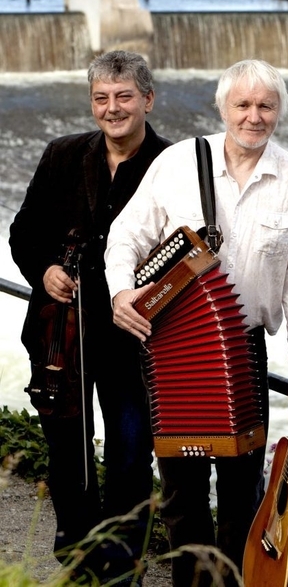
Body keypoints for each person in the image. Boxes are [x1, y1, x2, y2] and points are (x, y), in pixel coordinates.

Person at [104, 59, 288, 586]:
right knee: (180, 492)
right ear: (223, 108)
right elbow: (125, 235)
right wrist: (119, 294)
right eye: (242, 105)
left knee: (243, 491)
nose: (254, 116)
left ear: (280, 112)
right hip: (172, 345)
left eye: (266, 106)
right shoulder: (178, 162)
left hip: (245, 347)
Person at [9, 50, 171, 584]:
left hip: (134, 342)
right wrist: (47, 270)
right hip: (63, 337)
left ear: (147, 99)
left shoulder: (173, 165)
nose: (112, 108)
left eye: (124, 96)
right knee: (67, 456)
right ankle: (77, 558)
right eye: (101, 98)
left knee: (129, 457)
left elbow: (189, 252)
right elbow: (23, 233)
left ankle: (123, 566)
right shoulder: (61, 155)